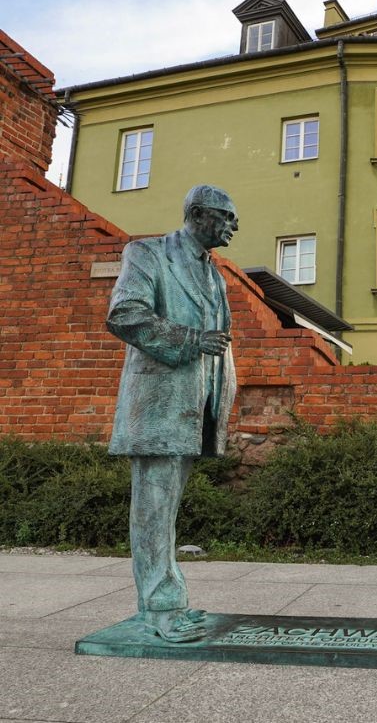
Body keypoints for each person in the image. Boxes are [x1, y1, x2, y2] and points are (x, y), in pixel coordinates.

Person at [106, 184, 238, 643]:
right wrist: (188, 339)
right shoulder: (148, 253)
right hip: (159, 402)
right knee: (154, 507)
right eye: (226, 216)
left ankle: (167, 600)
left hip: (194, 404)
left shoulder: (215, 274)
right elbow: (125, 313)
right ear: (198, 214)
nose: (232, 226)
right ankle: (160, 608)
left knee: (166, 508)